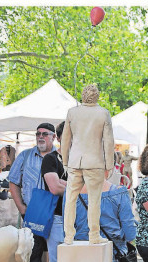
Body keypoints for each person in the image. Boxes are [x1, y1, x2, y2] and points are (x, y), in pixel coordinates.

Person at [61, 84, 115, 245]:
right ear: (97, 96)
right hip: (95, 162)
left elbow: (65, 139)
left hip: (75, 162)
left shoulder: (72, 112)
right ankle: (94, 234)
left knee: (70, 199)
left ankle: (68, 236)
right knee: (94, 200)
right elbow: (108, 142)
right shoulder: (103, 114)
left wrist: (65, 160)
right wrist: (109, 164)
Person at [8, 122, 55, 262]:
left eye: (45, 134)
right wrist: (21, 207)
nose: (40, 137)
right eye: (38, 134)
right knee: (32, 254)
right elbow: (13, 182)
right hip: (32, 212)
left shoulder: (60, 157)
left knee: (57, 253)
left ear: (53, 137)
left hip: (55, 212)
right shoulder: (25, 156)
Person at [41, 121, 68, 262]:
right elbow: (54, 186)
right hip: (57, 218)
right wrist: (79, 186)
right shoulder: (51, 159)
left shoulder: (77, 161)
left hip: (76, 221)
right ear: (59, 138)